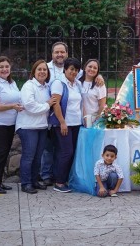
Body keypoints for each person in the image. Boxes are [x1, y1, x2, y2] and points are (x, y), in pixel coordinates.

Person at [16, 60, 57, 194]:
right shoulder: (29, 86)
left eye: (45, 69)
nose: (42, 72)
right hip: (28, 126)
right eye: (39, 69)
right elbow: (30, 106)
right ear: (33, 72)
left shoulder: (46, 87)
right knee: (29, 156)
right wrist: (47, 105)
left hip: (42, 126)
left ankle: (34, 180)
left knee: (38, 156)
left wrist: (47, 104)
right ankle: (26, 183)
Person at [0, 56, 23, 194]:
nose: (4, 69)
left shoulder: (11, 83)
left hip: (9, 123)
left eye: (6, 66)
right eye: (1, 67)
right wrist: (13, 106)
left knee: (4, 152)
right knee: (0, 152)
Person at [50, 58, 83, 193]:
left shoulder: (77, 84)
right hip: (64, 124)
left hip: (76, 123)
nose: (73, 72)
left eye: (76, 70)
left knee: (72, 152)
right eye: (71, 69)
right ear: (65, 69)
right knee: (66, 152)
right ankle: (59, 182)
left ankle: (65, 179)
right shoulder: (59, 83)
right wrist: (62, 122)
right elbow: (55, 103)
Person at [40, 42, 69, 187]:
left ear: (66, 54)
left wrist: (99, 77)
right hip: (47, 114)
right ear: (52, 54)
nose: (59, 55)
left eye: (62, 52)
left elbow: (87, 77)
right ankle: (46, 175)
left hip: (65, 116)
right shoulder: (45, 67)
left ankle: (59, 174)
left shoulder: (71, 67)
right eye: (57, 52)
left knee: (62, 148)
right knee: (48, 147)